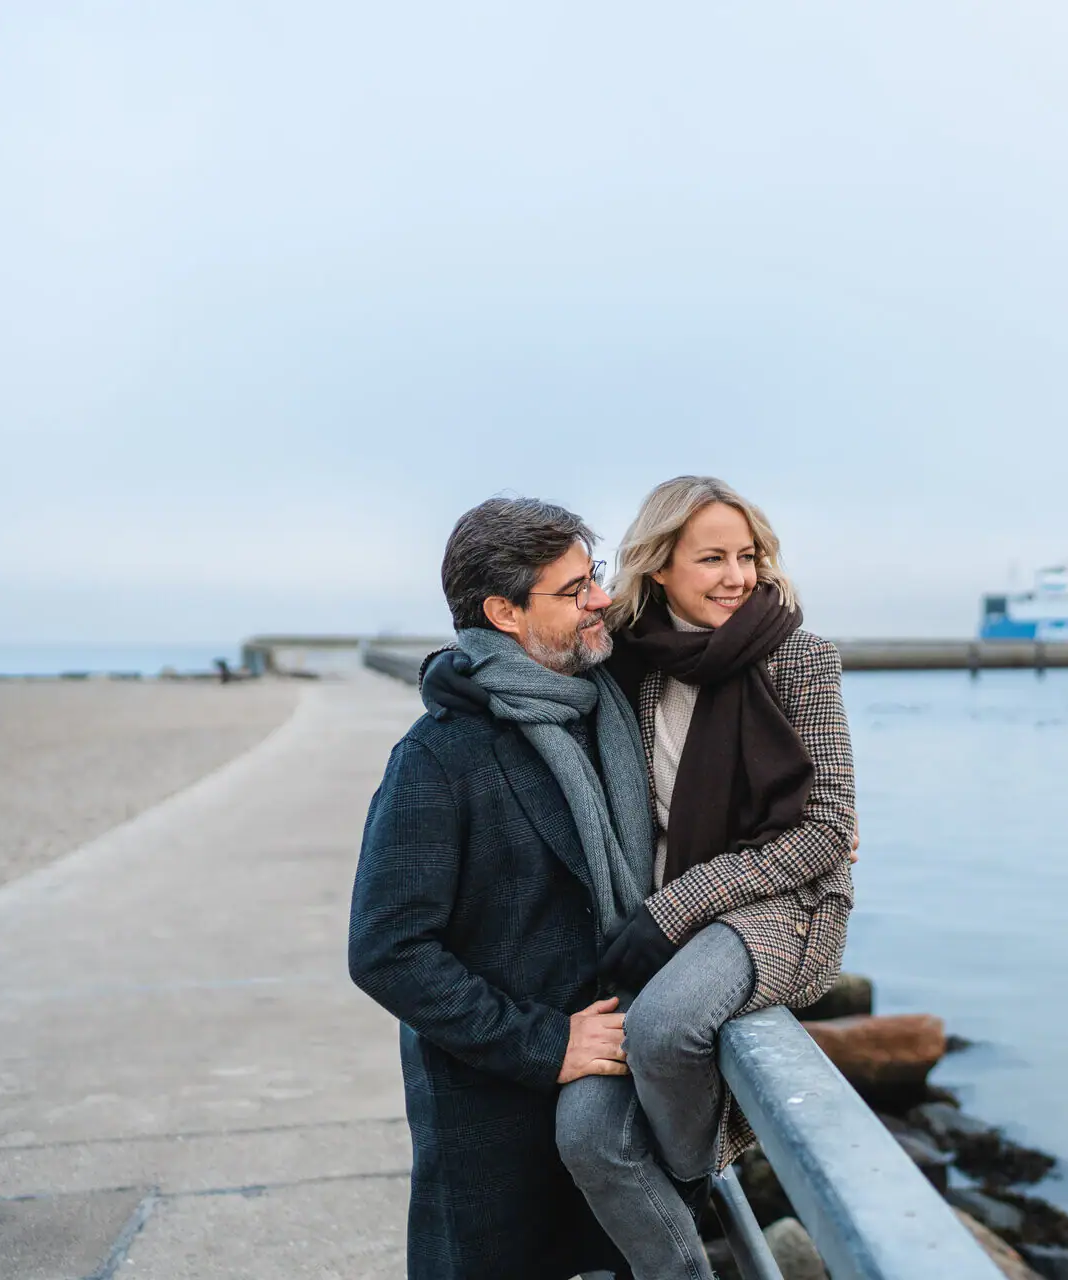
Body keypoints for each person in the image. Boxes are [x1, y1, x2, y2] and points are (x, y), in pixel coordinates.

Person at [422, 476, 856, 1280]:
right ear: (657, 567)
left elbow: (827, 831)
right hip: (657, 916)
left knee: (664, 1032)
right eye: (713, 558)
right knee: (585, 1133)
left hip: (779, 906)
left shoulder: (800, 658)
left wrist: (676, 907)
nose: (738, 576)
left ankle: (690, 1179)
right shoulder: (630, 661)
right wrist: (454, 683)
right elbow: (520, 665)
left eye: (749, 555)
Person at [348, 496, 644, 1280]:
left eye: (597, 577)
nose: (601, 600)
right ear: (504, 613)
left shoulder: (600, 706)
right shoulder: (437, 758)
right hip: (494, 1131)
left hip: (616, 1109)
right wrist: (549, 1043)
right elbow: (387, 951)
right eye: (575, 588)